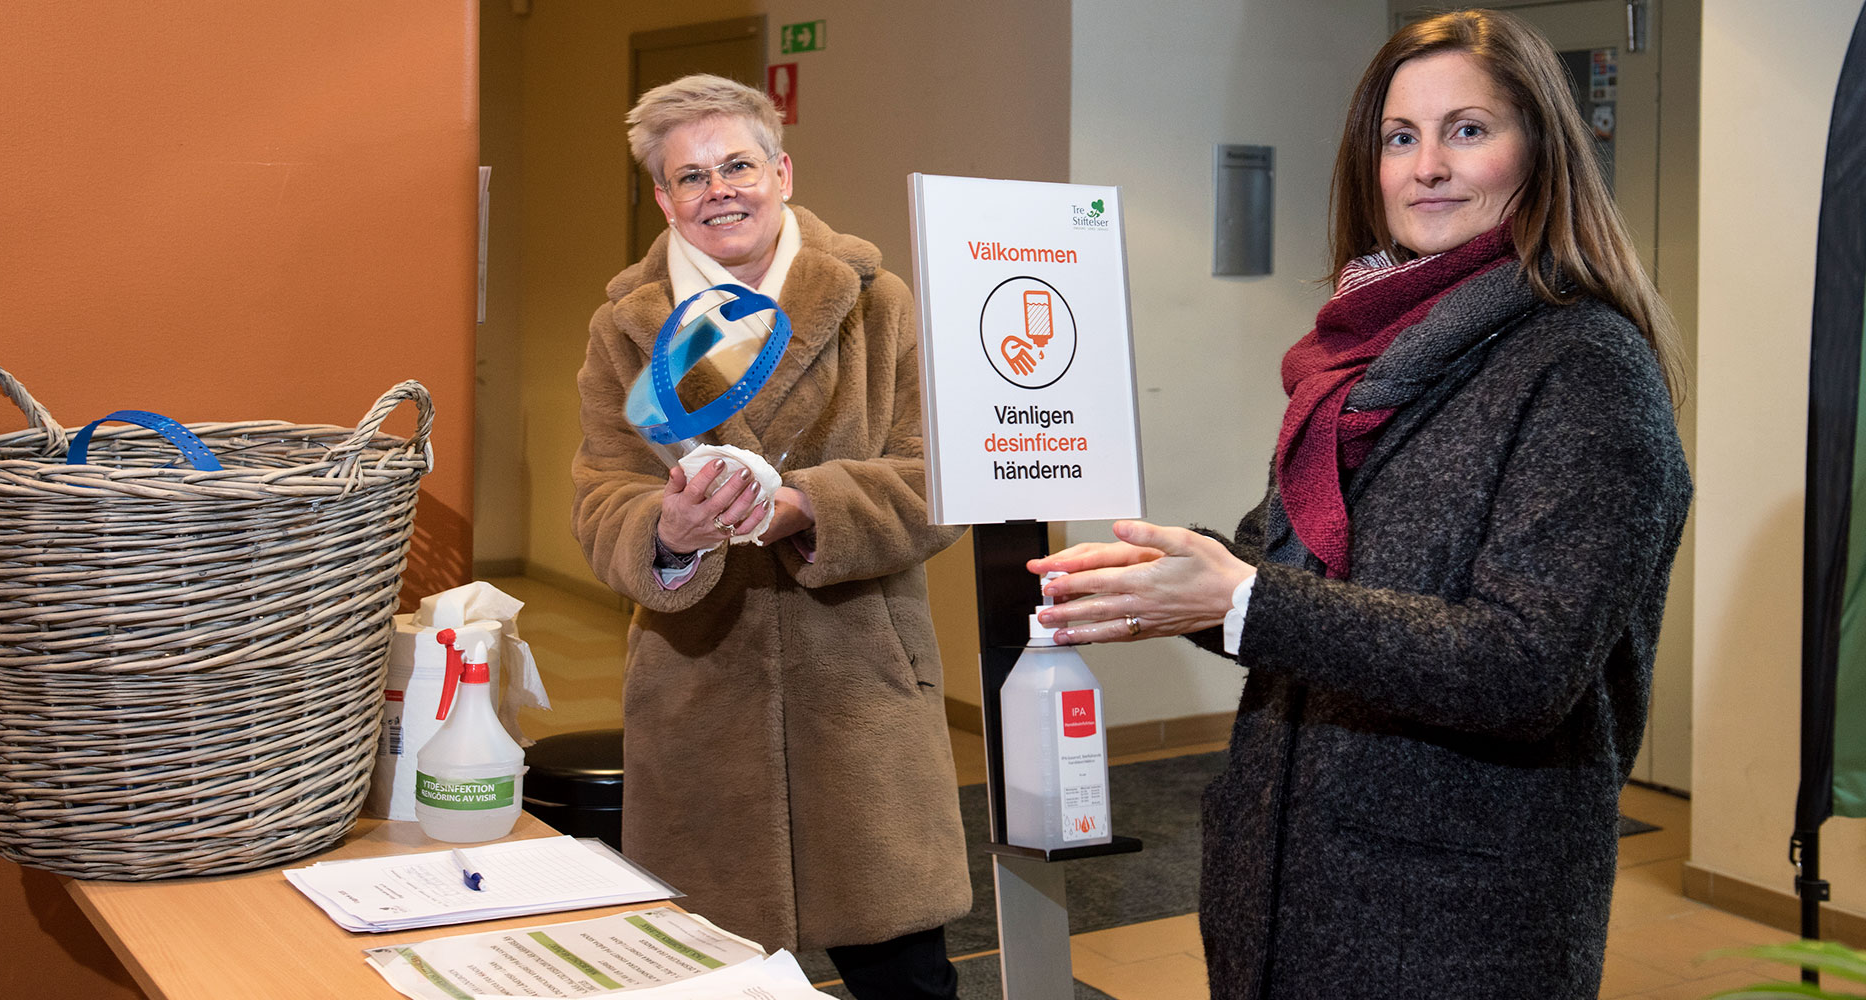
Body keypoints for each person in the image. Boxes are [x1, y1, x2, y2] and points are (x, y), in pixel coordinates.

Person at [1030, 10, 1691, 999]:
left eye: (1466, 129)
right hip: (1281, 885)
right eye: (1398, 136)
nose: (1426, 164)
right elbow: (1282, 589)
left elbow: (1523, 668)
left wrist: (1240, 597)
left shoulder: (1584, 366)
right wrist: (1166, 579)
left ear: (1540, 151)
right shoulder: (1354, 363)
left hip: (1452, 917)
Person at [570, 74, 969, 999]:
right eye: (693, 176)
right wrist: (664, 529)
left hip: (862, 680)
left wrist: (805, 507)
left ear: (781, 171)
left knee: (907, 976)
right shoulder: (624, 329)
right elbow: (600, 496)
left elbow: (938, 478)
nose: (721, 190)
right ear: (665, 199)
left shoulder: (879, 303)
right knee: (711, 976)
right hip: (698, 686)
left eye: (738, 164)